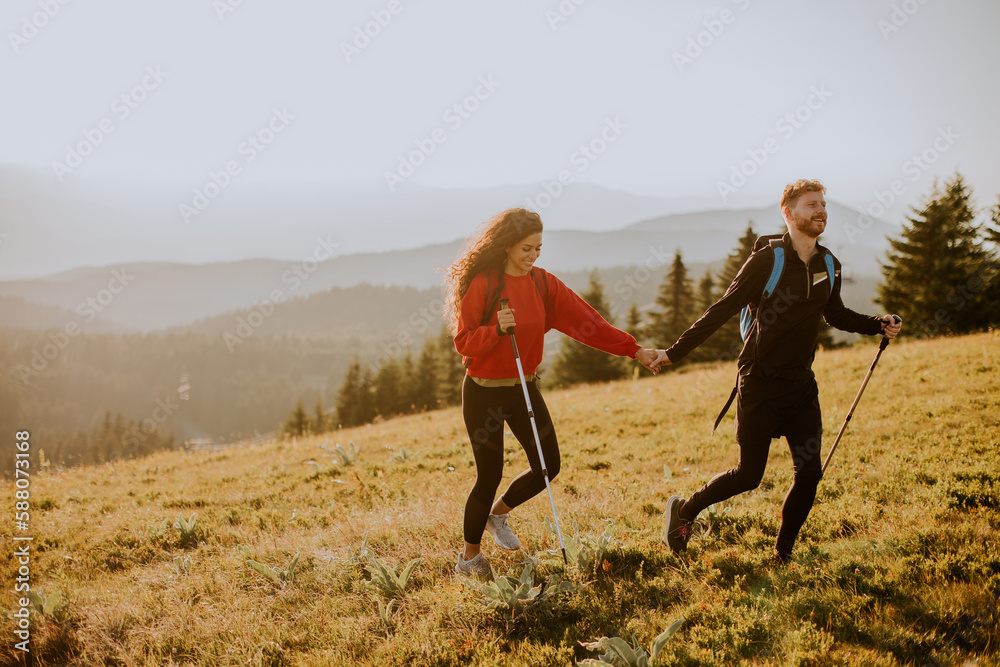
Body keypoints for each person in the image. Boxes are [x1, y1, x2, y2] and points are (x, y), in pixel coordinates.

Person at [650, 179, 902, 563]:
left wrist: (876, 323)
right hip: (759, 381)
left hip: (801, 384)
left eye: (822, 204)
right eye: (810, 205)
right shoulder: (768, 260)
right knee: (749, 476)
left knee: (809, 473)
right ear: (788, 213)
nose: (820, 211)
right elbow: (723, 308)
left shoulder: (828, 263)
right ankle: (684, 512)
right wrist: (673, 353)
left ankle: (782, 555)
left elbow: (834, 313)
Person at [444, 208, 660, 577]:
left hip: (523, 388)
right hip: (483, 392)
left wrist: (633, 350)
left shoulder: (543, 285)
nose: (533, 255)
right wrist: (495, 329)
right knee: (489, 474)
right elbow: (464, 343)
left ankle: (498, 515)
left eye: (539, 248)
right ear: (508, 245)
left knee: (548, 465)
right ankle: (469, 559)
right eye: (526, 248)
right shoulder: (486, 283)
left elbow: (587, 323)